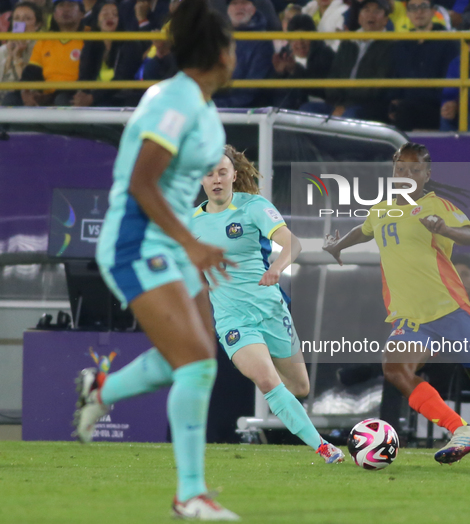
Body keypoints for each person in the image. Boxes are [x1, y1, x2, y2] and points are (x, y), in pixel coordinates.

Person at [72, 0, 240, 519]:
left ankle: (103, 387)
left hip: (169, 241)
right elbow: (144, 182)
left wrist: (188, 242)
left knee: (192, 357)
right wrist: (190, 243)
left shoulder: (204, 109)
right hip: (135, 242)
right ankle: (189, 494)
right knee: (196, 362)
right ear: (219, 52)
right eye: (233, 43)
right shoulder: (175, 101)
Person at [323, 142, 470, 466]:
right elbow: (365, 230)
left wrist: (445, 229)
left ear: (427, 174)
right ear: (393, 171)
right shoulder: (380, 209)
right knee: (394, 369)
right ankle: (462, 429)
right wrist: (337, 246)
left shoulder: (436, 205)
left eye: (414, 170)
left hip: (449, 311)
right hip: (410, 318)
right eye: (400, 169)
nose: (406, 176)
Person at [190, 146, 346, 464]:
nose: (216, 179)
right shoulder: (192, 224)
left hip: (271, 310)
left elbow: (293, 242)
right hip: (233, 320)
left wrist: (277, 267)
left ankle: (270, 375)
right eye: (209, 174)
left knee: (299, 387)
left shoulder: (254, 207)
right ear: (201, 179)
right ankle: (325, 448)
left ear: (234, 175)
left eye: (222, 172)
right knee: (267, 382)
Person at [301, 0, 394, 121]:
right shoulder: (347, 42)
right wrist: (337, 104)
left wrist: (346, 106)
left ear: (385, 20)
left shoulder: (390, 46)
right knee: (306, 110)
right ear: (359, 17)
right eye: (366, 10)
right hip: (339, 105)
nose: (371, 15)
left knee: (350, 116)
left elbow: (377, 88)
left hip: (369, 107)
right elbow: (333, 77)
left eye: (377, 11)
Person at [388, 0, 459, 131]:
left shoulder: (448, 43)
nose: (418, 12)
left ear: (433, 11)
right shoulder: (401, 45)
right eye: (413, 8)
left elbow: (449, 84)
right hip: (408, 105)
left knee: (405, 110)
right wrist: (395, 100)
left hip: (435, 105)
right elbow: (396, 78)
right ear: (407, 14)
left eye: (423, 7)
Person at [1, 0, 84, 107]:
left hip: (72, 92)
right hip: (47, 93)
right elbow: (32, 72)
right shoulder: (45, 40)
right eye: (61, 5)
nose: (66, 9)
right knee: (11, 99)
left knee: (61, 99)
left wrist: (18, 59)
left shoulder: (91, 37)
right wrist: (24, 91)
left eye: (71, 5)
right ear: (54, 15)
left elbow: (88, 73)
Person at [74, 0, 144, 107]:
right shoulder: (90, 43)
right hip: (93, 96)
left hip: (120, 97)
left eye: (115, 14)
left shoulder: (130, 43)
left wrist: (93, 98)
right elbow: (84, 74)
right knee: (63, 100)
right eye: (105, 13)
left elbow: (122, 80)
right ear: (97, 18)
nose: (110, 17)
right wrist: (82, 94)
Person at [213, 0, 274, 109]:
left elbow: (250, 93)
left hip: (249, 112)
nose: (239, 7)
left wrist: (216, 105)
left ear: (253, 9)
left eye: (244, 2)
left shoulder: (263, 41)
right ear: (228, 10)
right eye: (234, 3)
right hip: (219, 105)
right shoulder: (218, 37)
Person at [272, 13, 335, 110]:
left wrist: (295, 70)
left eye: (304, 37)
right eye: (295, 37)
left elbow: (322, 91)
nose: (300, 42)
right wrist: (280, 74)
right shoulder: (283, 56)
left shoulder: (326, 55)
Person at [0, 2, 43, 105]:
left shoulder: (41, 48)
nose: (20, 23)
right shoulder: (4, 49)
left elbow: (29, 89)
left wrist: (17, 59)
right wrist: (10, 57)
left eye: (27, 19)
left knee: (11, 99)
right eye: (17, 18)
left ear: (37, 25)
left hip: (29, 99)